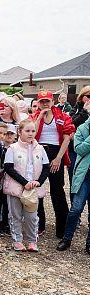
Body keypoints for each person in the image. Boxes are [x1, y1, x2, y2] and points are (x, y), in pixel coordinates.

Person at [31, 90, 75, 238]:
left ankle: (62, 228)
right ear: (38, 102)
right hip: (39, 152)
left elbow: (67, 137)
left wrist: (58, 158)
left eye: (47, 101)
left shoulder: (62, 116)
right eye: (42, 101)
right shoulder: (35, 116)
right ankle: (39, 225)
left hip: (57, 152)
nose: (45, 104)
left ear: (52, 101)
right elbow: (31, 134)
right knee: (37, 188)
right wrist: (39, 118)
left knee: (57, 191)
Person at [3, 120, 49, 252]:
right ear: (20, 132)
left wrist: (38, 181)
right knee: (15, 214)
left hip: (33, 188)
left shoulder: (40, 149)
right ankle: (17, 240)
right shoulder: (13, 148)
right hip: (16, 186)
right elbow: (8, 168)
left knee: (32, 216)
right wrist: (24, 182)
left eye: (33, 131)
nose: (30, 134)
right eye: (27, 131)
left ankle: (32, 240)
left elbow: (46, 167)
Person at [58, 97, 90, 252]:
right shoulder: (82, 129)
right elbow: (79, 149)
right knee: (76, 208)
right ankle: (67, 238)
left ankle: (89, 242)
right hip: (84, 175)